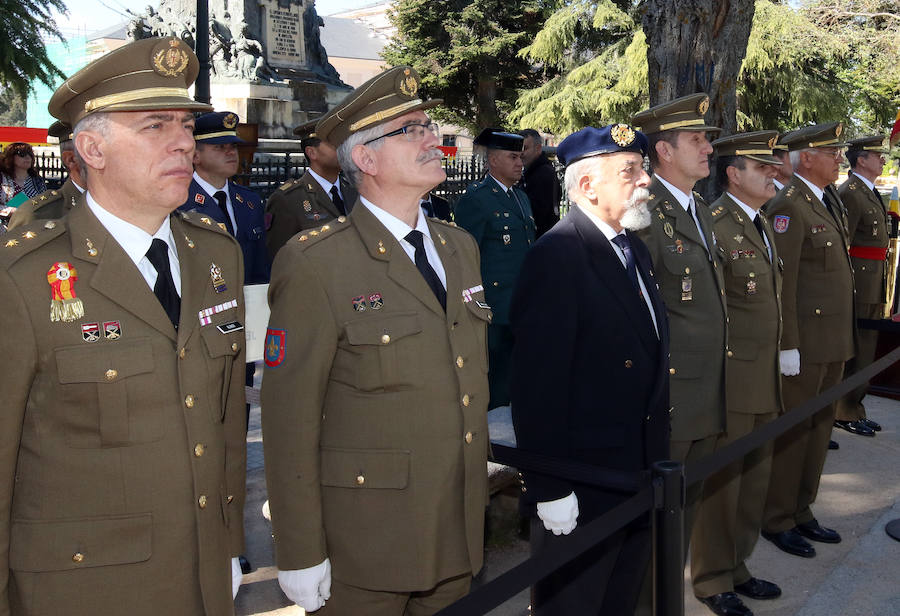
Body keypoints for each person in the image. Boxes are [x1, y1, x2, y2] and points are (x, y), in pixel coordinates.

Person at [0, 37, 247, 615]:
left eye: (186, 125)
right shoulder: (23, 274)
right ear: (93, 148)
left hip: (205, 574)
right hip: (85, 590)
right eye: (156, 125)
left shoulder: (217, 256)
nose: (184, 141)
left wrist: (228, 545)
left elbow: (227, 417)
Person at [261, 66, 491, 615]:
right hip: (368, 541)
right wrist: (299, 551)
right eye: (411, 131)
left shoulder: (459, 247)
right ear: (365, 159)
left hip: (455, 524)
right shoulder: (317, 262)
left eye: (429, 126)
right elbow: (289, 419)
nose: (433, 139)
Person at [511, 124, 669, 615]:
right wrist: (551, 487)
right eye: (631, 171)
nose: (646, 181)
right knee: (575, 604)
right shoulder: (557, 256)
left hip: (636, 469)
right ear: (586, 186)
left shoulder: (634, 249)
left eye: (642, 169)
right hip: (584, 480)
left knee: (619, 600)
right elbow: (537, 387)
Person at [691, 131, 786, 616]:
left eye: (773, 166)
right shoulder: (714, 225)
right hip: (732, 379)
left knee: (755, 476)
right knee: (724, 483)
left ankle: (738, 564)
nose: (774, 173)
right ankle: (711, 578)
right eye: (762, 167)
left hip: (765, 374)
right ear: (734, 174)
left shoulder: (762, 222)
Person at [630, 92, 727, 542]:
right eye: (697, 139)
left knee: (685, 513)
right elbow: (634, 311)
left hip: (707, 387)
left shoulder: (700, 210)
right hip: (671, 395)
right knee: (657, 526)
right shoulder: (644, 213)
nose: (708, 147)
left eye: (707, 139)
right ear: (664, 150)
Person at [762, 122, 854, 559]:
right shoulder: (789, 206)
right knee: (795, 432)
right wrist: (788, 346)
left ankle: (802, 508)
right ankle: (777, 517)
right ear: (807, 158)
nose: (840, 156)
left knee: (819, 431)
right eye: (831, 150)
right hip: (806, 345)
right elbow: (784, 284)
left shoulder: (826, 200)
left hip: (833, 340)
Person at [455, 128, 535, 411]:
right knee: (492, 383)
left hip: (519, 304)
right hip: (492, 308)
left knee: (514, 378)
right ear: (492, 160)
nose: (519, 162)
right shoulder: (477, 199)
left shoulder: (520, 198)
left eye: (521, 156)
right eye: (512, 156)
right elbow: (464, 257)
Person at [834, 134, 890, 437]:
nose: (882, 159)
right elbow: (844, 242)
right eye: (875, 155)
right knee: (856, 346)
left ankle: (854, 406)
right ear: (860, 160)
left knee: (867, 346)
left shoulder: (866, 190)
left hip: (874, 277)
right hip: (859, 279)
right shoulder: (851, 192)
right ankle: (842, 410)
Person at [179, 110, 269, 286]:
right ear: (195, 156)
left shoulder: (249, 201)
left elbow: (260, 268)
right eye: (220, 147)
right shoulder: (180, 201)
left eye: (233, 146)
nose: (231, 153)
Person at [265, 118, 358, 262]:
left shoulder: (355, 191)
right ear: (312, 153)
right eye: (334, 144)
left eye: (343, 142)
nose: (343, 148)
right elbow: (280, 259)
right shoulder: (289, 199)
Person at [8, 121, 86, 230]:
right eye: (22, 154)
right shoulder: (36, 214)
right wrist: (9, 211)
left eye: (29, 154)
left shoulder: (36, 180)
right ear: (71, 159)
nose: (27, 158)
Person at [519, 128, 560, 237]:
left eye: (525, 148)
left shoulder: (544, 174)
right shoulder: (531, 172)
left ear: (538, 149)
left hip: (542, 239)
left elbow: (536, 215)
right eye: (519, 148)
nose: (521, 153)